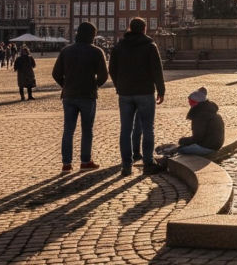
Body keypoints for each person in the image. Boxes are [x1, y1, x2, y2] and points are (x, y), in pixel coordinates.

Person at [107, 17, 165, 176]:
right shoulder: (150, 45)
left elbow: (112, 68)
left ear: (130, 28)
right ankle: (148, 163)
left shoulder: (119, 46)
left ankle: (126, 165)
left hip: (125, 93)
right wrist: (161, 90)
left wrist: (119, 85)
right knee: (148, 129)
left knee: (125, 129)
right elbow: (157, 70)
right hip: (145, 92)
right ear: (144, 29)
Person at [52, 21, 109, 174]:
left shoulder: (66, 51)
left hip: (69, 95)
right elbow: (104, 75)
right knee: (87, 129)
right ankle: (85, 161)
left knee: (68, 130)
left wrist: (65, 85)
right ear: (92, 35)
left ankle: (66, 164)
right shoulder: (97, 52)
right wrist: (95, 85)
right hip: (87, 95)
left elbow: (56, 74)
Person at [152, 87, 225, 170]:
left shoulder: (200, 115)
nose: (189, 103)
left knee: (179, 150)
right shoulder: (209, 111)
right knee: (180, 145)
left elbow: (197, 138)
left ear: (195, 103)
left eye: (190, 101)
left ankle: (163, 164)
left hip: (207, 147)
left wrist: (183, 141)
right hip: (215, 144)